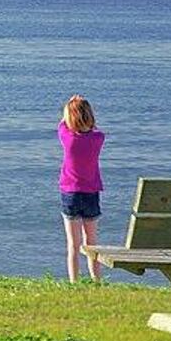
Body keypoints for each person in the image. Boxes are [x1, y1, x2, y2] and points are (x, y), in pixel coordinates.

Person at [59, 95, 106, 283]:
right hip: (91, 193)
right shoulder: (98, 138)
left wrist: (70, 104)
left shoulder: (67, 138)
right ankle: (96, 279)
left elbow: (62, 123)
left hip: (70, 193)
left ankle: (74, 281)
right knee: (92, 241)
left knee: (73, 244)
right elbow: (94, 129)